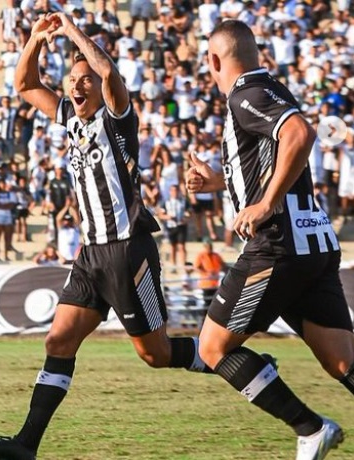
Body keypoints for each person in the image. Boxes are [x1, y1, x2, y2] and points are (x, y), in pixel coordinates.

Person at [0, 13, 214, 460]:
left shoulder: (117, 119)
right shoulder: (71, 118)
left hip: (127, 250)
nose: (77, 86)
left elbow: (110, 74)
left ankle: (240, 364)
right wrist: (35, 39)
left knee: (155, 354)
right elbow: (25, 84)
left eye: (85, 80)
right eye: (72, 80)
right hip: (90, 255)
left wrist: (71, 32)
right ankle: (26, 445)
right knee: (58, 341)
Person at [186, 20, 351, 459]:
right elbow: (273, 160)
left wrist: (265, 203)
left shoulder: (246, 95)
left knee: (213, 348)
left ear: (214, 60)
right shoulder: (270, 89)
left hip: (278, 246)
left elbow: (301, 135)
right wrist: (220, 181)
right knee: (342, 361)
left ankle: (311, 429)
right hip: (313, 244)